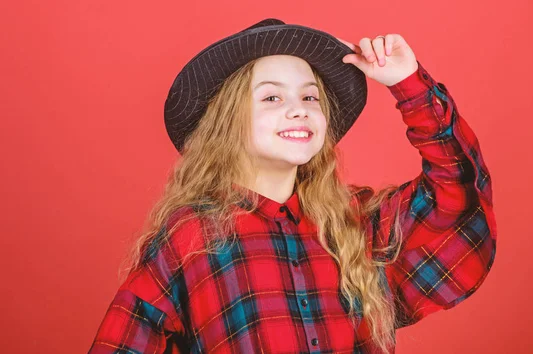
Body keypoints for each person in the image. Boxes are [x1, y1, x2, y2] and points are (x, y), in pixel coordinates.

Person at [88, 18, 497, 354]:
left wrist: (407, 82)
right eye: (271, 98)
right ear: (228, 121)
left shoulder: (356, 223)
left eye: (311, 97)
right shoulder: (190, 238)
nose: (298, 110)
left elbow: (458, 197)